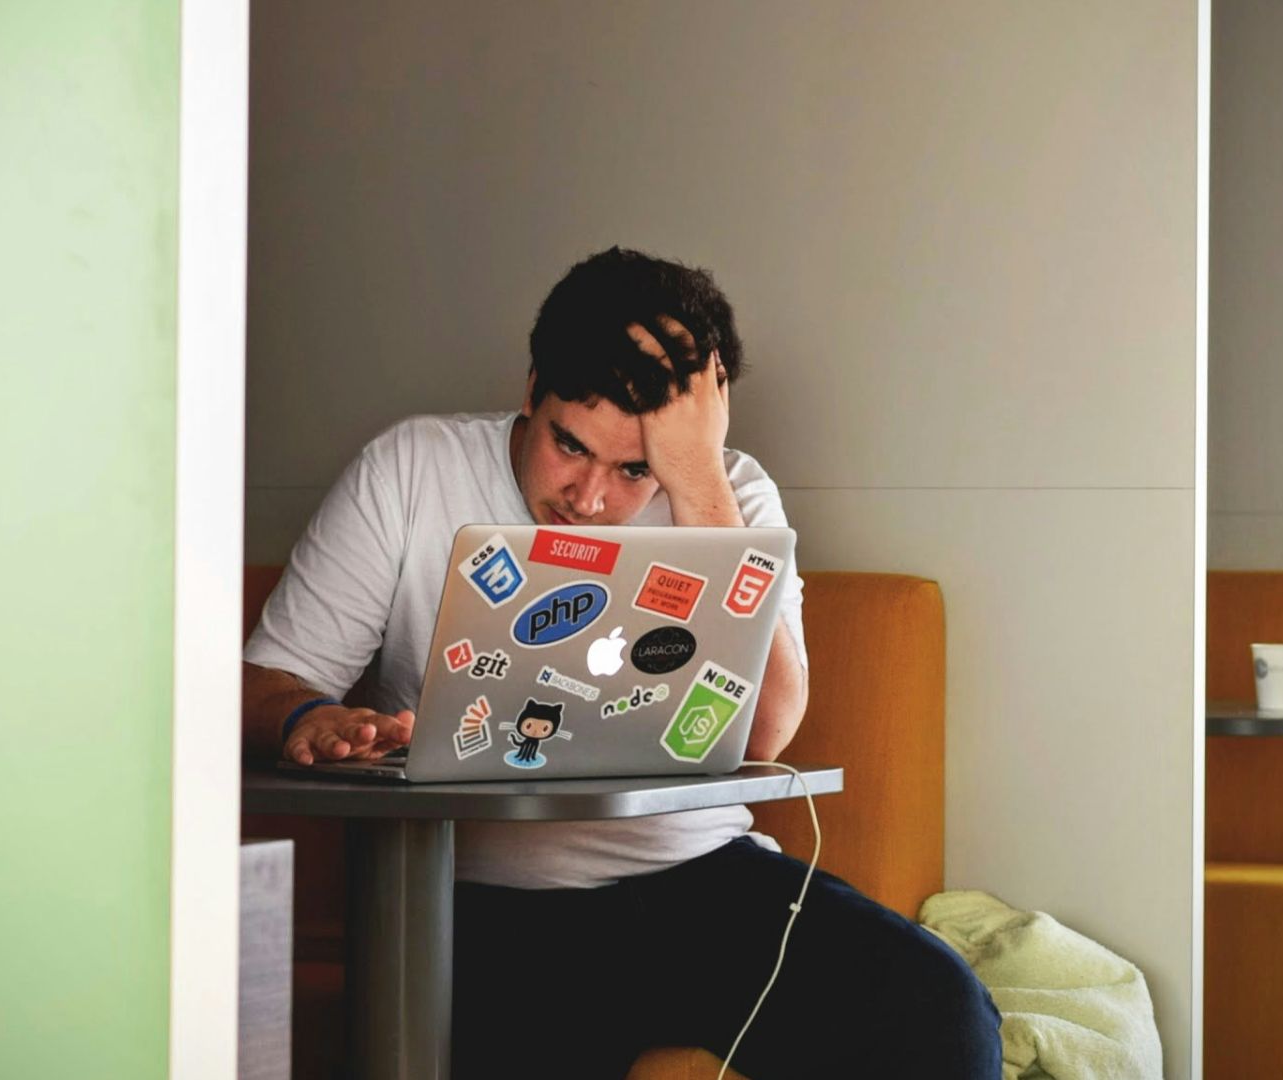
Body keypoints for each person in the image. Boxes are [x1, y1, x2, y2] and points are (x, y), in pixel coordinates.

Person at [240, 247, 1002, 1077]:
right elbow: (264, 684)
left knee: (945, 1017)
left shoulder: (730, 494)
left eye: (633, 468)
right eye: (570, 446)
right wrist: (311, 719)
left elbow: (771, 730)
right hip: (480, 904)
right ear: (532, 389)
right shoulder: (411, 468)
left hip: (698, 879)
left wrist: (697, 482)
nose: (590, 498)